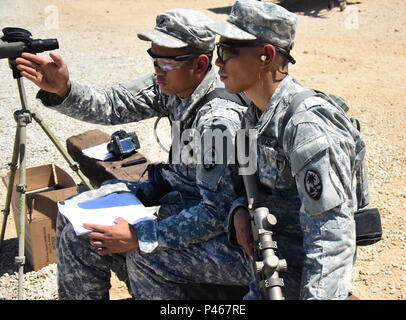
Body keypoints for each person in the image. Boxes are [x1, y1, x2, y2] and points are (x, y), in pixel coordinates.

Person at [15, 8, 252, 299]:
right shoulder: (175, 83)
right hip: (181, 202)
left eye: (164, 61)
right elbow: (115, 103)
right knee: (75, 218)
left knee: (142, 255)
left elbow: (217, 214)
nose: (156, 69)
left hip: (220, 230)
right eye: (153, 57)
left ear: (200, 64)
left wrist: (141, 236)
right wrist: (64, 89)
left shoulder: (218, 121)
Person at [207, 0, 368, 299]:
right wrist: (239, 209)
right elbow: (249, 185)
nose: (218, 62)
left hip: (301, 277)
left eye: (227, 51)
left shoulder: (306, 126)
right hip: (268, 267)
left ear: (265, 56)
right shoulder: (252, 114)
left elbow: (331, 239)